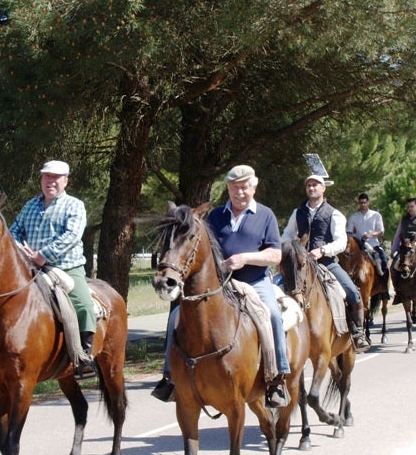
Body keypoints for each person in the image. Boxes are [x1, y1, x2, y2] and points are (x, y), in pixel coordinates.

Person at [153, 165, 291, 408]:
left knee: (272, 315)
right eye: (235, 187)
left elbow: (275, 255)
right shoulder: (216, 216)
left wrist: (245, 258)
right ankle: (169, 377)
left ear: (254, 187)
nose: (240, 192)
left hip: (254, 281)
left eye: (245, 186)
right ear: (228, 188)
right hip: (220, 284)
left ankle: (276, 378)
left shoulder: (265, 215)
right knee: (176, 314)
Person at [10, 160, 97, 375]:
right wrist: (23, 252)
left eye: (56, 177)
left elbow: (71, 236)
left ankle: (84, 355)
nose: (50, 181)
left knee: (84, 304)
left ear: (65, 181)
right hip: (29, 268)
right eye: (46, 176)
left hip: (65, 268)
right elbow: (13, 232)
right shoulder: (30, 205)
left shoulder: (74, 205)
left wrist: (43, 255)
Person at [282, 174, 369, 351]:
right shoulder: (297, 212)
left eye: (315, 185)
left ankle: (358, 332)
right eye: (308, 185)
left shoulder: (334, 214)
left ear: (323, 188)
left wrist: (322, 250)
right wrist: (291, 249)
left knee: (352, 292)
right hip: (300, 264)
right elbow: (286, 235)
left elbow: (340, 242)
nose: (311, 188)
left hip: (326, 263)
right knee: (276, 289)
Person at [346, 192, 389, 281]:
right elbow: (349, 232)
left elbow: (381, 231)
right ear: (359, 203)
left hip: (373, 244)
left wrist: (371, 234)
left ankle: (383, 286)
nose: (363, 205)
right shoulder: (354, 217)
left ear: (368, 202)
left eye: (365, 202)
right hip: (358, 244)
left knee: (383, 260)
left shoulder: (376, 215)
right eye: (361, 203)